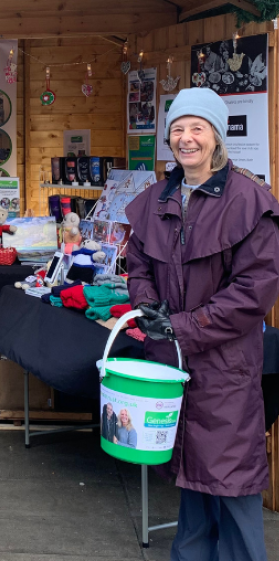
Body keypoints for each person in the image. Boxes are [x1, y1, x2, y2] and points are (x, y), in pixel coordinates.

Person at [126, 87, 279, 561]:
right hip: (173, 365)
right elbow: (138, 266)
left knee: (231, 483)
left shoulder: (250, 201)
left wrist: (185, 327)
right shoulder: (156, 198)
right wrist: (151, 310)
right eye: (177, 129)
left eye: (197, 128)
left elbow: (254, 290)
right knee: (192, 478)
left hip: (226, 368)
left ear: (216, 135)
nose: (186, 139)